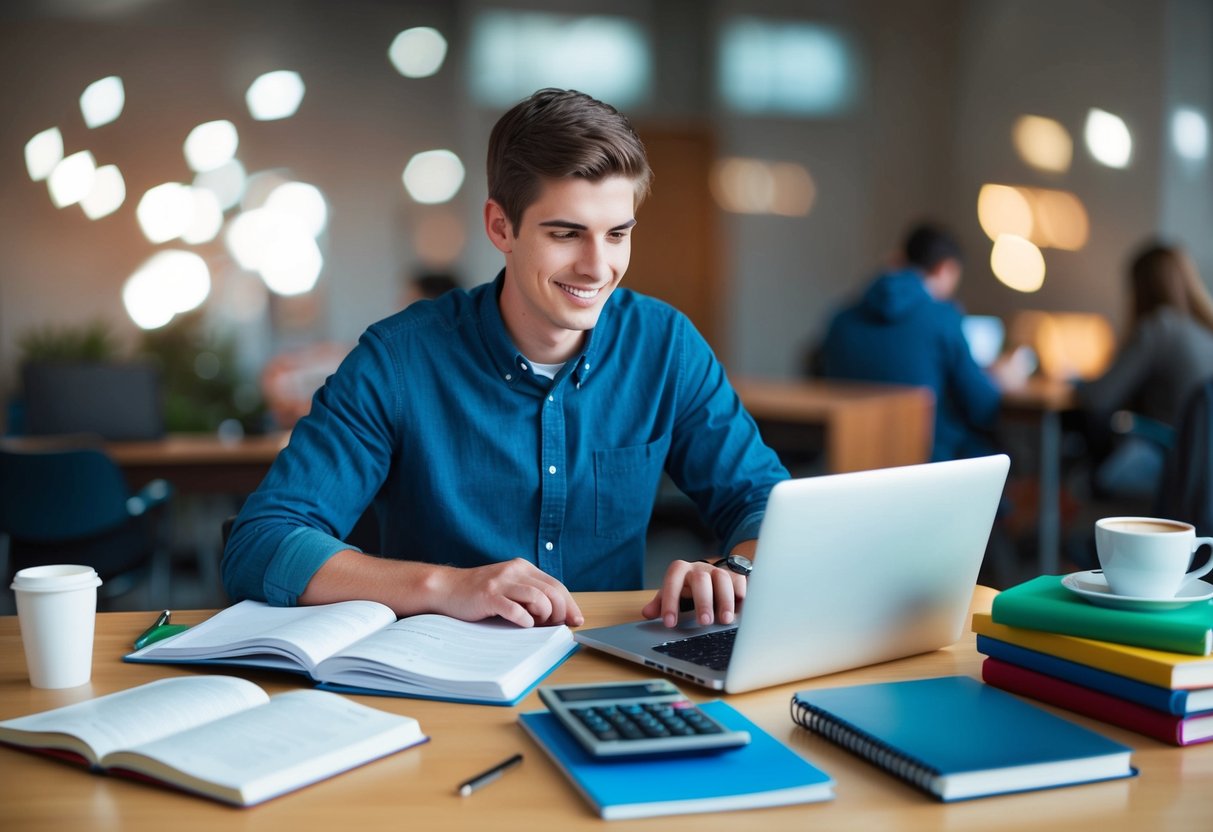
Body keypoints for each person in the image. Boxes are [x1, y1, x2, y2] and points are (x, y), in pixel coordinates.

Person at [223, 88, 788, 631]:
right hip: (442, 679)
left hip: (607, 666)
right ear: (501, 226)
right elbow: (263, 541)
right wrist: (449, 587)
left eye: (617, 234)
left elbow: (765, 504)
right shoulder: (397, 360)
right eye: (566, 234)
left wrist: (737, 570)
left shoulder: (665, 345)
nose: (598, 267)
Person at [815, 223, 1023, 462]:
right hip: (927, 462)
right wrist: (998, 380)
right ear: (947, 269)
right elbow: (982, 407)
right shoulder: (943, 317)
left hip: (848, 462)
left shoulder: (841, 317)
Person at [1077, 241, 1213, 500]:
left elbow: (1098, 398)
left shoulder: (1160, 327)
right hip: (1204, 472)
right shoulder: (1205, 332)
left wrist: (1074, 380)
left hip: (1170, 460)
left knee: (1084, 477)